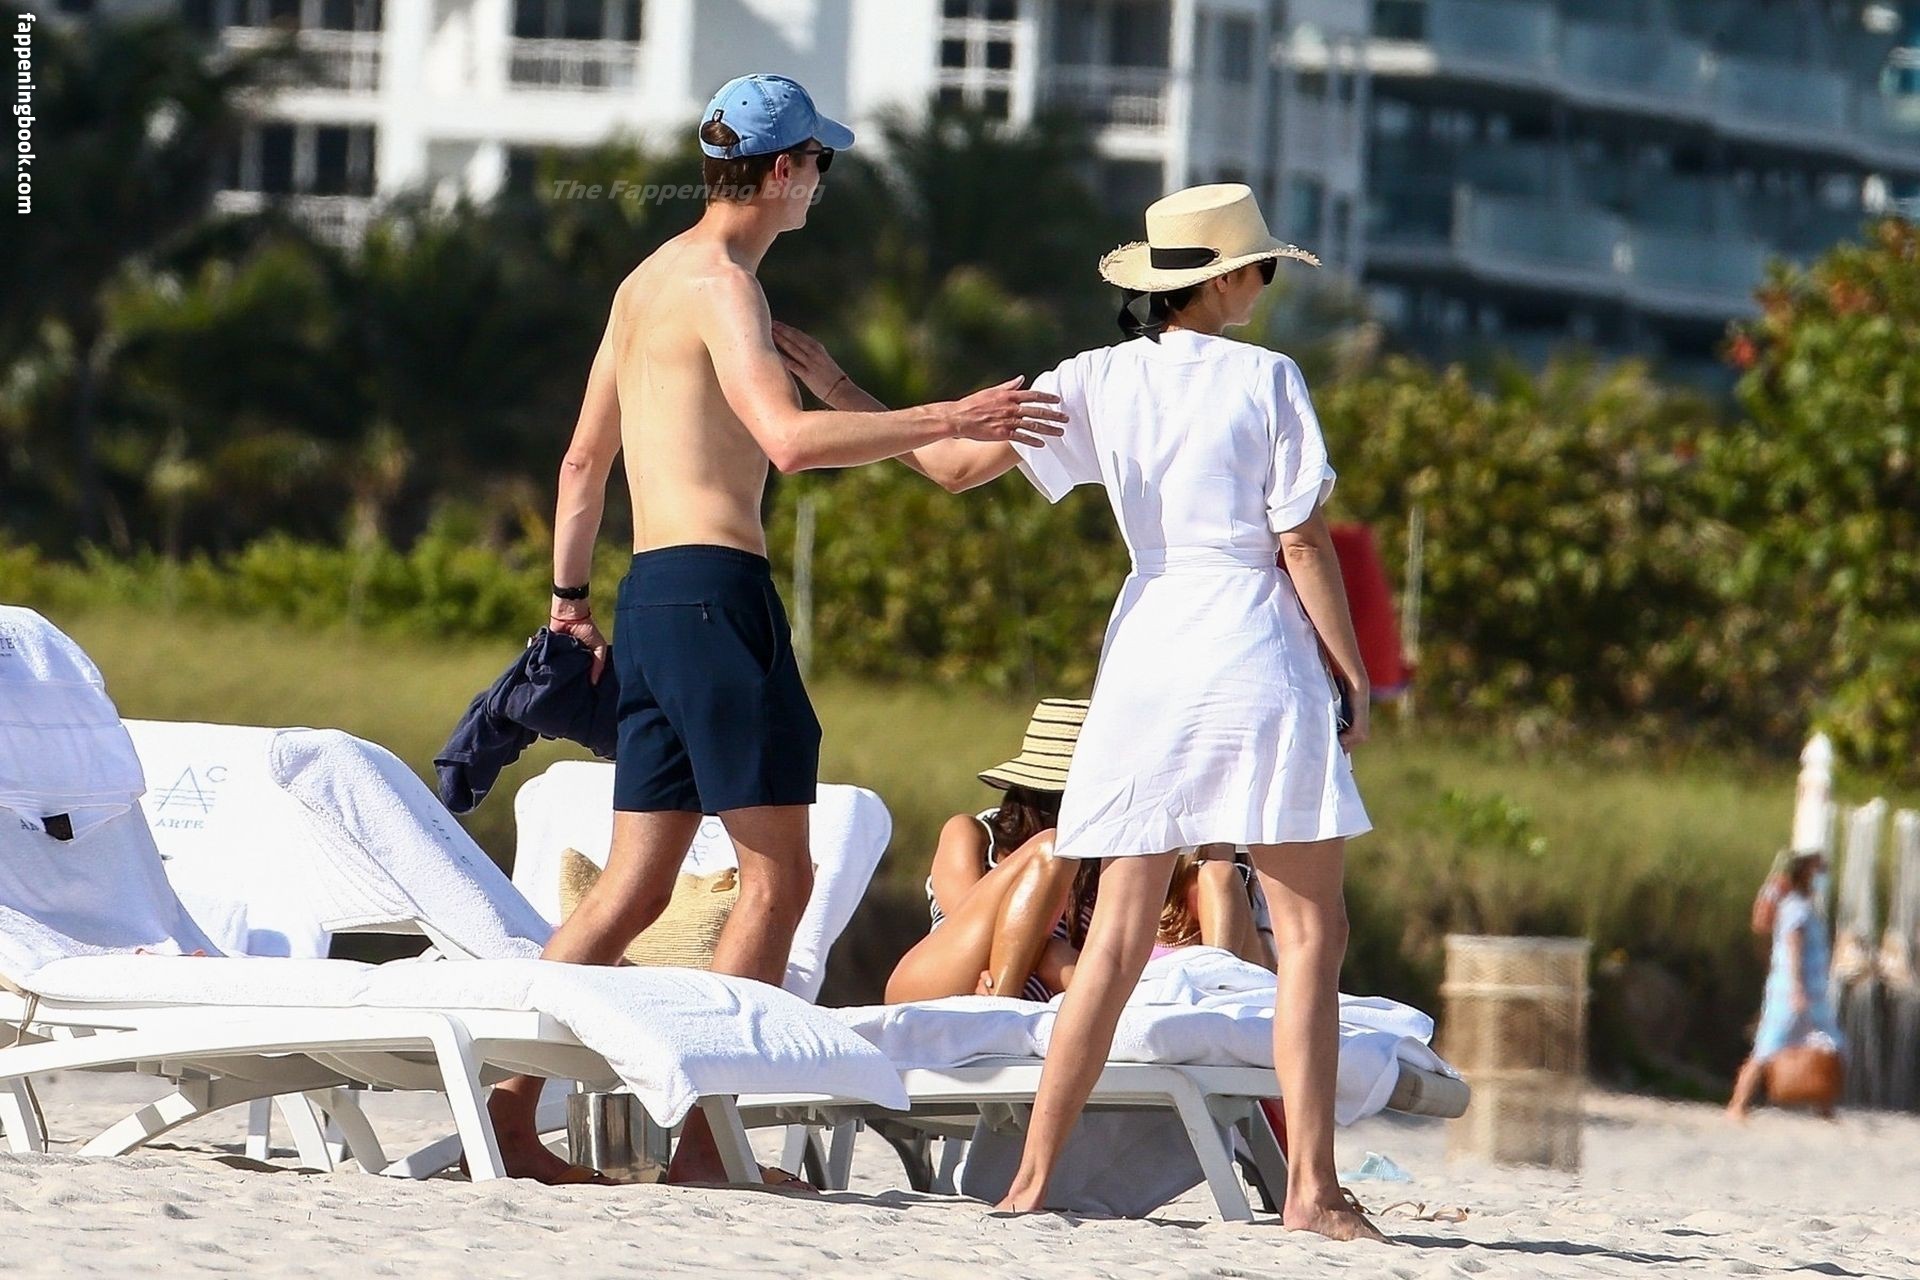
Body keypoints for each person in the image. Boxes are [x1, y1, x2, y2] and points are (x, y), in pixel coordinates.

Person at [486, 72, 1067, 1186]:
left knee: (632, 885)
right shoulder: (725, 287)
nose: (820, 186)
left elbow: (581, 462)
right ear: (787, 169)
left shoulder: (644, 281)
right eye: (820, 166)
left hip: (651, 598)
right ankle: (707, 1145)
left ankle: (511, 1113)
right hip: (720, 598)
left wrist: (568, 604)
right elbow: (788, 444)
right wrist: (952, 411)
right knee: (778, 880)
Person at [777, 183, 1377, 1240]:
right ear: (1226, 281)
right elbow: (1300, 540)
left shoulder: (1095, 377)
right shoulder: (1268, 378)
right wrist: (1350, 672)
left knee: (1115, 937)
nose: (1263, 286)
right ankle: (1312, 1190)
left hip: (1147, 653)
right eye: (1259, 269)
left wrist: (837, 385)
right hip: (1252, 646)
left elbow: (951, 467)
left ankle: (1032, 1178)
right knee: (1313, 933)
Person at [1728, 851, 1845, 1121]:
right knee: (1769, 1045)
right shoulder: (1796, 908)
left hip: (1811, 994)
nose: (1824, 875)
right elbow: (1793, 947)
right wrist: (1796, 989)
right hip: (1793, 993)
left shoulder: (1803, 907)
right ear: (1806, 873)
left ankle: (1825, 1107)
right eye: (1819, 870)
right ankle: (1737, 1105)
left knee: (1829, 1045)